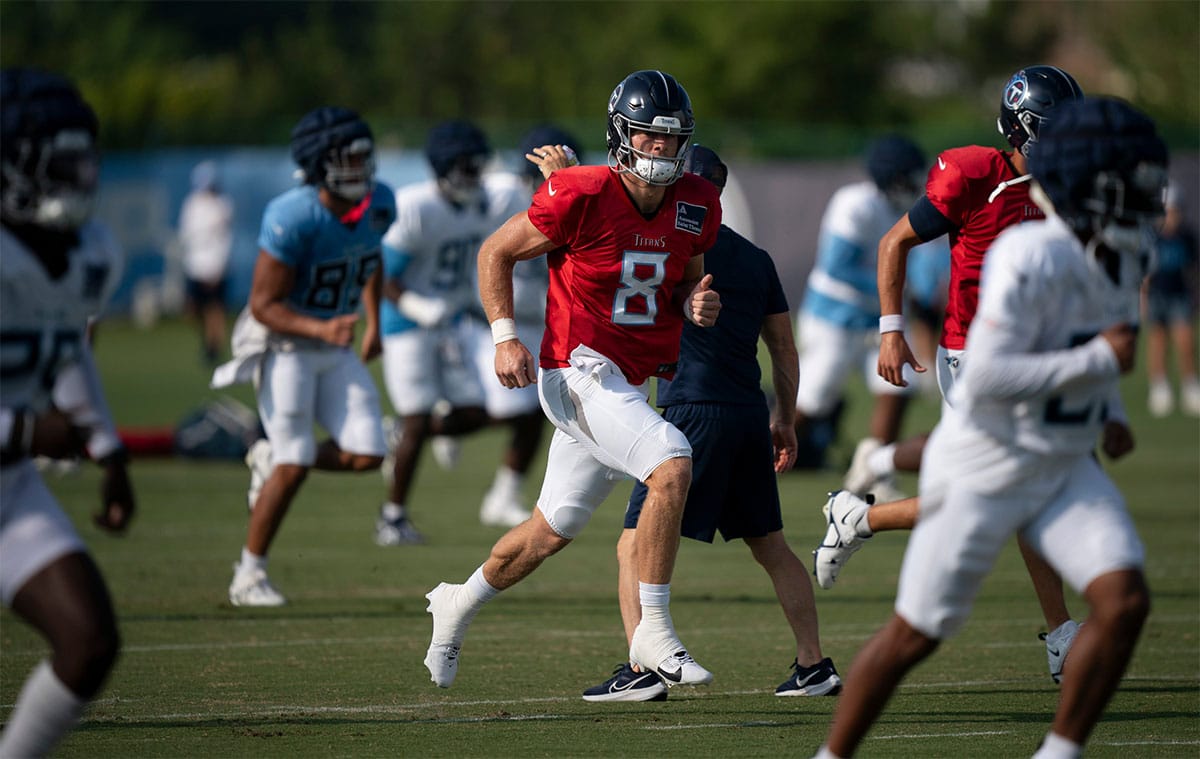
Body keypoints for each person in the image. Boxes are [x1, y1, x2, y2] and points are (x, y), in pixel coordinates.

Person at [814, 96, 1165, 759]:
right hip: (992, 452)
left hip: (1062, 463)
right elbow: (994, 377)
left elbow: (1097, 343)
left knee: (1124, 600)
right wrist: (1096, 363)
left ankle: (1059, 747)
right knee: (912, 635)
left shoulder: (1118, 253)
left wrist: (1113, 412)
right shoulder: (1028, 251)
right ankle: (831, 753)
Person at [421, 69, 722, 690]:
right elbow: (494, 252)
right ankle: (654, 631)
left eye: (673, 137)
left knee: (547, 533)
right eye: (651, 136)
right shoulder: (581, 191)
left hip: (626, 382)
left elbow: (689, 275)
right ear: (622, 135)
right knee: (672, 462)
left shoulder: (698, 200)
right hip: (575, 369)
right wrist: (506, 336)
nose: (663, 148)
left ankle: (457, 600)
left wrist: (696, 301)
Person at [818, 65, 1087, 683]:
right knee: (1017, 490)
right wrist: (891, 328)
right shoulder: (974, 174)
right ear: (1022, 128)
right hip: (973, 357)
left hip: (1031, 358)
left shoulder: (1070, 184)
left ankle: (859, 516)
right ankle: (1063, 633)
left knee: (1000, 492)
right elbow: (894, 243)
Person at [582, 146, 841, 702]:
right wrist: (785, 421)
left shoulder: (668, 246)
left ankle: (642, 669)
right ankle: (814, 665)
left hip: (689, 413)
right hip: (748, 411)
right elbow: (784, 351)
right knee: (772, 547)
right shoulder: (757, 257)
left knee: (632, 547)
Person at [0, 67, 135, 757]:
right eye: (62, 163)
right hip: (14, 456)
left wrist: (107, 448)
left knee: (88, 640)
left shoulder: (88, 253)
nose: (80, 178)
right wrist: (25, 429)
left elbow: (68, 349)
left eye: (86, 161)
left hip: (9, 484)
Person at [212, 106, 393, 606]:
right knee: (293, 461)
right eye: (348, 159)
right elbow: (262, 305)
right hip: (286, 343)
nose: (361, 168)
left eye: (363, 157)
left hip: (332, 344)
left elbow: (371, 253)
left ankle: (269, 455)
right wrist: (322, 325)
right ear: (319, 163)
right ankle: (248, 575)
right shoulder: (292, 215)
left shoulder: (379, 203)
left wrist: (373, 320)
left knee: (368, 452)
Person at [375, 121, 546, 544]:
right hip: (407, 324)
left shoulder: (487, 199)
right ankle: (392, 516)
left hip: (454, 321)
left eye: (476, 168)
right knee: (416, 418)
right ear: (442, 169)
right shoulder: (415, 206)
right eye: (464, 169)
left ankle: (410, 434)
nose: (473, 177)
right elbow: (379, 274)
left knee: (480, 411)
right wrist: (416, 306)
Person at [792, 134, 946, 483]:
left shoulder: (905, 209)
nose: (915, 183)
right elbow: (838, 267)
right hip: (836, 316)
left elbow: (919, 268)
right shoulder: (855, 204)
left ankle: (873, 473)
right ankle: (764, 457)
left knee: (900, 383)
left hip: (878, 318)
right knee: (813, 399)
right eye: (909, 175)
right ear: (891, 176)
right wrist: (895, 289)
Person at [453, 125, 584, 532]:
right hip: (488, 321)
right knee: (512, 409)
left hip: (537, 323)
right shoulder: (499, 195)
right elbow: (480, 249)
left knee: (535, 411)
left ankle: (503, 493)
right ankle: (433, 425)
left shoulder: (579, 199)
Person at [1144, 180, 1200, 417]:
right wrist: (1142, 297)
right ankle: (1160, 387)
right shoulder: (1151, 238)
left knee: (1185, 341)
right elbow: (1144, 273)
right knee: (1158, 342)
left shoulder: (1186, 237)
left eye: (1174, 212)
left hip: (1179, 295)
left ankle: (1190, 385)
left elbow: (1193, 269)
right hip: (1157, 295)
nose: (1171, 218)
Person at [177, 160, 234, 365]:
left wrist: (220, 266)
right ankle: (207, 340)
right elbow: (186, 233)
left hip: (215, 264)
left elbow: (225, 239)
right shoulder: (191, 203)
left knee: (215, 308)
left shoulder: (223, 205)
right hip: (194, 264)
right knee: (192, 309)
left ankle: (214, 348)